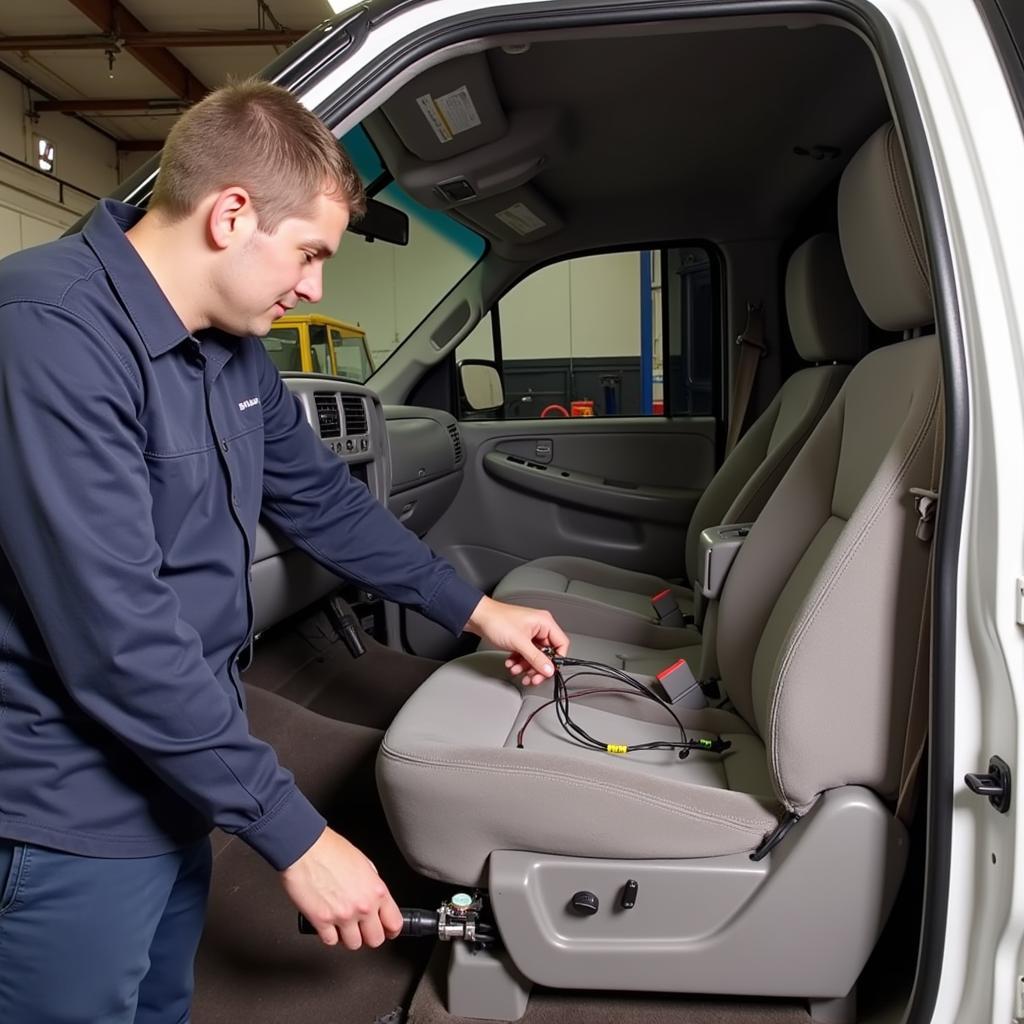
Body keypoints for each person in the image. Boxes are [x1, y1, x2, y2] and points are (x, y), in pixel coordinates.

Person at [0, 79, 568, 1023]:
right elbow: (117, 635)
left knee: (159, 1004)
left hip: (178, 771)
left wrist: (476, 610)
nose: (313, 285)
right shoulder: (47, 333)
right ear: (231, 216)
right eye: (309, 252)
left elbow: (323, 504)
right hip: (70, 808)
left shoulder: (231, 349)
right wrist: (297, 836)